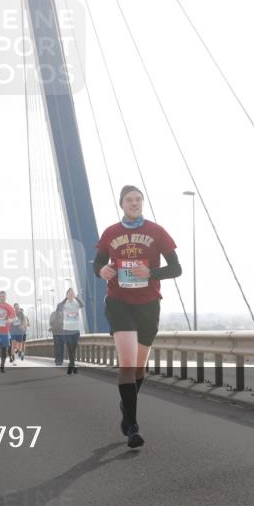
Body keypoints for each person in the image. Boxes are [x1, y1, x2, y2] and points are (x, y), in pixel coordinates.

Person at [95, 185, 181, 449]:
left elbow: (176, 268)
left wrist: (151, 274)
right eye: (129, 200)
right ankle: (132, 426)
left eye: (138, 199)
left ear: (142, 203)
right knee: (128, 362)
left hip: (148, 304)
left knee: (139, 366)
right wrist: (103, 272)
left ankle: (126, 404)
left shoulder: (157, 231)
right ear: (121, 204)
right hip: (119, 303)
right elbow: (98, 263)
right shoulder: (111, 232)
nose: (134, 203)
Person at [58, 288, 85, 374]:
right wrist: (66, 298)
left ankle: (71, 366)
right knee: (70, 350)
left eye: (72, 293)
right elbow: (60, 306)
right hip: (67, 330)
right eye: (69, 293)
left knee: (73, 350)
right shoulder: (65, 304)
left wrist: (76, 298)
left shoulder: (76, 303)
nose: (71, 295)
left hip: (76, 330)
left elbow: (82, 305)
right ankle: (73, 367)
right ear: (67, 295)